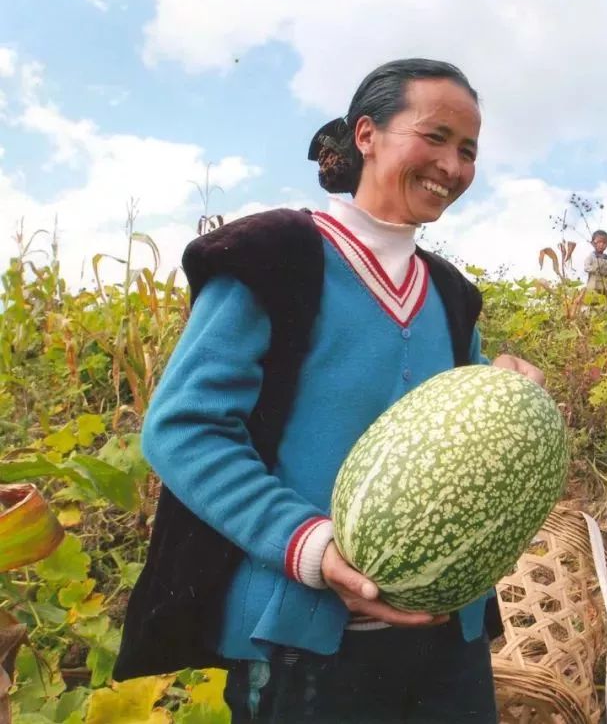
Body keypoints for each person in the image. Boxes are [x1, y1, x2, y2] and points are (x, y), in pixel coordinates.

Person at [115, 59, 544, 722]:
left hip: (446, 648)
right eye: (434, 137)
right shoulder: (276, 254)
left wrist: (508, 388)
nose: (453, 166)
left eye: (468, 150)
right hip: (303, 643)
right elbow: (183, 426)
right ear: (367, 135)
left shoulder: (451, 295)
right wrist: (312, 546)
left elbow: (473, 434)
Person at [583, 229, 607, 294]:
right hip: (592, 287)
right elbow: (586, 267)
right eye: (599, 242)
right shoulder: (591, 257)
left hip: (606, 289)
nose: (601, 244)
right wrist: (595, 269)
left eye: (604, 243)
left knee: (605, 302)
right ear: (593, 243)